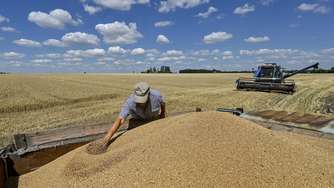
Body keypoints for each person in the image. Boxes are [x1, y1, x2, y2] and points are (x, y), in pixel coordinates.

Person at [102, 82, 166, 147]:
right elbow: (120, 119)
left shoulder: (156, 96)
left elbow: (163, 103)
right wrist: (109, 135)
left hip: (153, 121)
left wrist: (163, 113)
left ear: (148, 94)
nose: (140, 103)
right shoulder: (130, 102)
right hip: (138, 123)